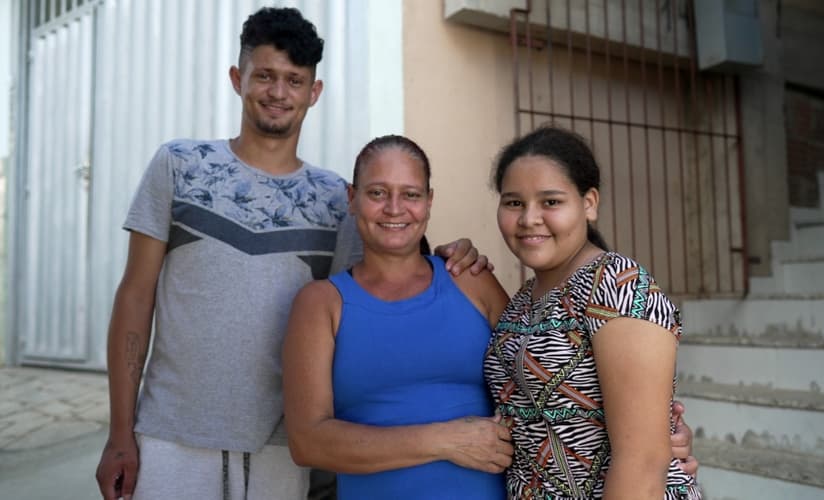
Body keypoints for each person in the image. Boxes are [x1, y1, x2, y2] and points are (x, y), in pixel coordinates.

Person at [94, 9, 487, 500]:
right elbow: (135, 296)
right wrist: (120, 432)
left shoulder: (335, 198)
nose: (278, 92)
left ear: (313, 92)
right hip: (171, 436)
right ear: (237, 79)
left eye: (294, 80)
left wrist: (453, 254)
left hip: (281, 449)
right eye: (265, 75)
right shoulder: (179, 165)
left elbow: (378, 287)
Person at [282, 135, 512, 499]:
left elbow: (537, 383)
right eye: (377, 193)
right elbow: (307, 442)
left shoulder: (471, 280)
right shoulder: (321, 304)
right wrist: (445, 440)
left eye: (411, 194)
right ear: (352, 198)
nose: (394, 208)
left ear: (429, 201)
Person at [483, 125, 702, 499]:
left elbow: (642, 462)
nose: (529, 218)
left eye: (551, 202)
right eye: (514, 202)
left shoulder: (617, 285)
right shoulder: (523, 300)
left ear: (589, 203)